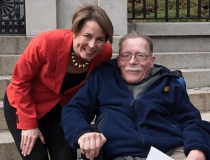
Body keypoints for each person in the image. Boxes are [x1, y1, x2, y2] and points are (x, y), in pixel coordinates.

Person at [61, 31, 210, 160]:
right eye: (126, 55)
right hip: (120, 153)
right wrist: (83, 132)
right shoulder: (103, 76)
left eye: (140, 55)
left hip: (170, 152)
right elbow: (74, 109)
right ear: (118, 60)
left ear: (152, 61)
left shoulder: (169, 82)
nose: (132, 61)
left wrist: (197, 148)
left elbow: (191, 120)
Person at [3, 4, 113, 160]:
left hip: (60, 110)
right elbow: (20, 81)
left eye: (100, 39)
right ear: (75, 32)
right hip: (25, 103)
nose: (92, 45)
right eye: (87, 36)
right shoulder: (47, 42)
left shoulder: (104, 54)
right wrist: (28, 124)